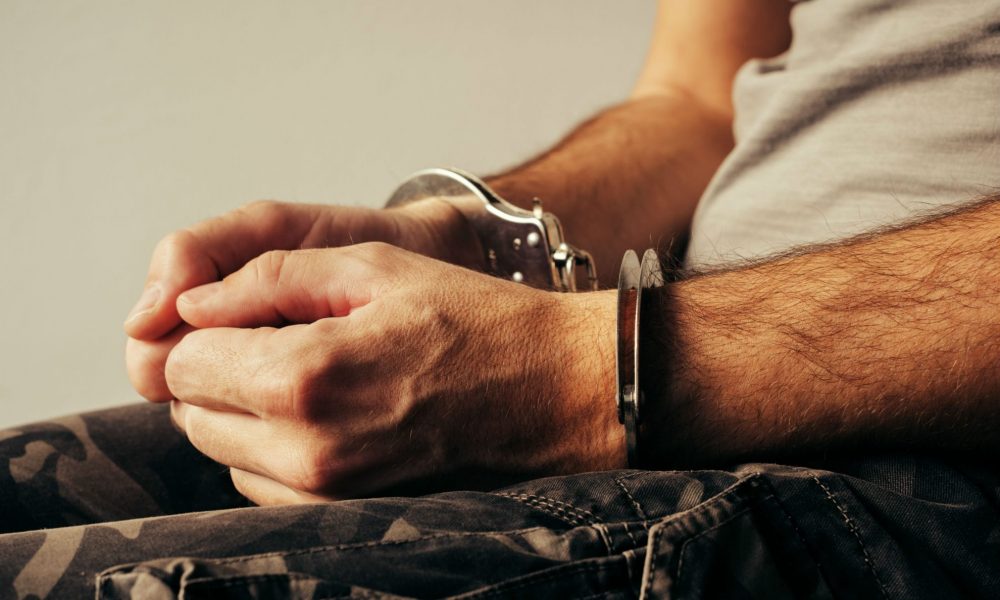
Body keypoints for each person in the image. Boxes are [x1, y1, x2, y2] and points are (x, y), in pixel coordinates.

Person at [3, 0, 999, 597]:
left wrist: (583, 374)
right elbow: (700, 97)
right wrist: (472, 240)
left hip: (929, 476)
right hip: (650, 392)